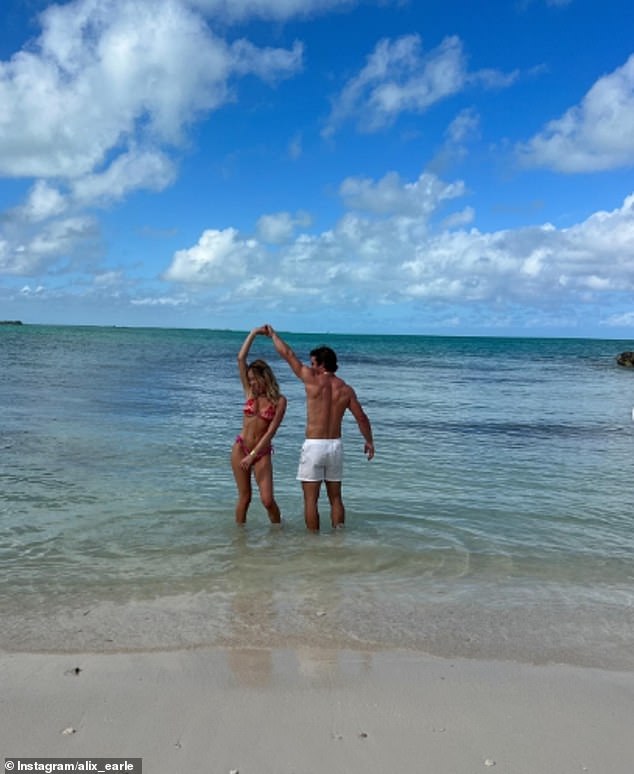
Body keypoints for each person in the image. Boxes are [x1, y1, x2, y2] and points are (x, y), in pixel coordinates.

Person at [264, 325, 374, 531]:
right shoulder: (346, 389)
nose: (310, 366)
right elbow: (362, 418)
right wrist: (369, 441)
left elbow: (287, 354)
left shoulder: (312, 379)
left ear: (322, 364)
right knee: (336, 498)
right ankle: (338, 538)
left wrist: (273, 335)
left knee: (310, 500)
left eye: (313, 362)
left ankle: (313, 543)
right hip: (335, 446)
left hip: (314, 445)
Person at [231, 326, 287, 525]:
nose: (252, 383)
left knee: (267, 500)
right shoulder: (249, 393)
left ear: (265, 377)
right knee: (245, 498)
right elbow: (240, 358)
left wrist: (253, 454)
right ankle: (240, 540)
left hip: (260, 452)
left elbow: (271, 432)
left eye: (255, 379)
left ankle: (278, 532)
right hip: (240, 447)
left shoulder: (279, 401)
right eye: (250, 380)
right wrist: (254, 333)